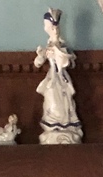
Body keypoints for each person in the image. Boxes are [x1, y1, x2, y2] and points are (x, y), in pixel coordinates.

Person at [34, 8, 83, 143]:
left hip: (61, 78)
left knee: (64, 101)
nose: (55, 31)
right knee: (51, 99)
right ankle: (53, 126)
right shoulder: (48, 46)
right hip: (52, 78)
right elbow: (37, 63)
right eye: (52, 28)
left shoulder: (62, 46)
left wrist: (60, 56)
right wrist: (41, 55)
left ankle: (66, 126)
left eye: (56, 28)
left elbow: (69, 62)